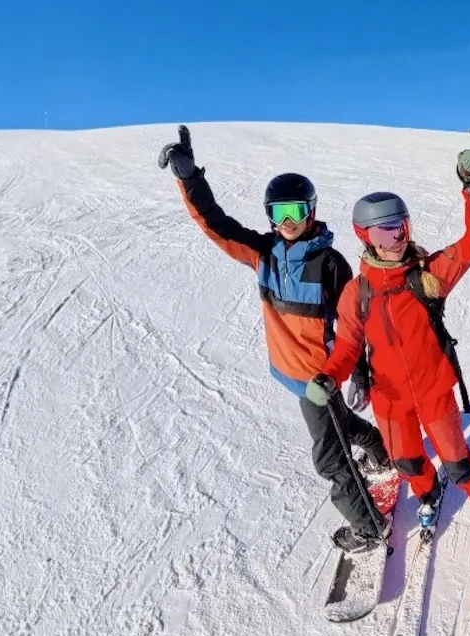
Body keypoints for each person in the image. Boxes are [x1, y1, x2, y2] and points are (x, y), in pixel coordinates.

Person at [158, 125, 393, 551]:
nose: (288, 222)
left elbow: (355, 323)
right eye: (280, 212)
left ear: (312, 211)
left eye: (297, 211)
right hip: (295, 375)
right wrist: (190, 179)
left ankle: (370, 526)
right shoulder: (263, 253)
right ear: (269, 215)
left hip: (320, 377)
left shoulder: (330, 263)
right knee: (337, 424)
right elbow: (216, 225)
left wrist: (360, 372)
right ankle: (378, 447)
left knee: (329, 458)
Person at [305, 149, 470, 546]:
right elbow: (347, 345)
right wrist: (329, 375)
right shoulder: (356, 293)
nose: (395, 240)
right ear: (365, 237)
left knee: (457, 461)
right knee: (408, 461)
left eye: (400, 229)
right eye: (383, 233)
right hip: (390, 398)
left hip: (434, 391)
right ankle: (427, 494)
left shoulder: (427, 276)